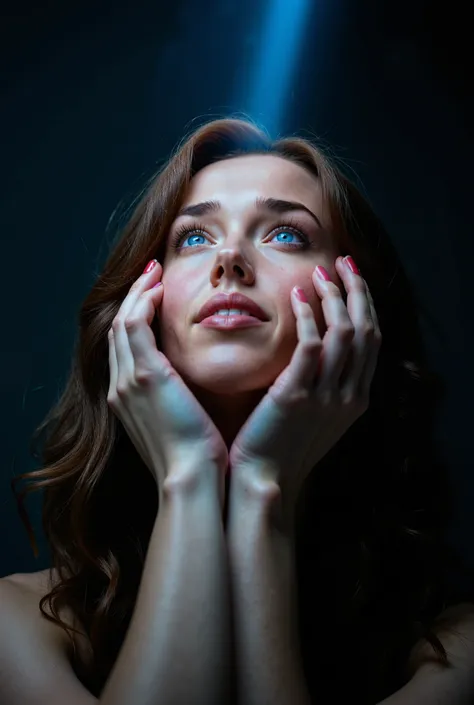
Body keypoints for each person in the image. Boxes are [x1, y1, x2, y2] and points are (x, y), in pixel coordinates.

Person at [3, 116, 474, 705]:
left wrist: (261, 488)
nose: (230, 260)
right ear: (137, 305)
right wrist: (188, 471)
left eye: (286, 235)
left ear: (359, 306)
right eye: (193, 239)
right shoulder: (14, 625)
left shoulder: (458, 650)